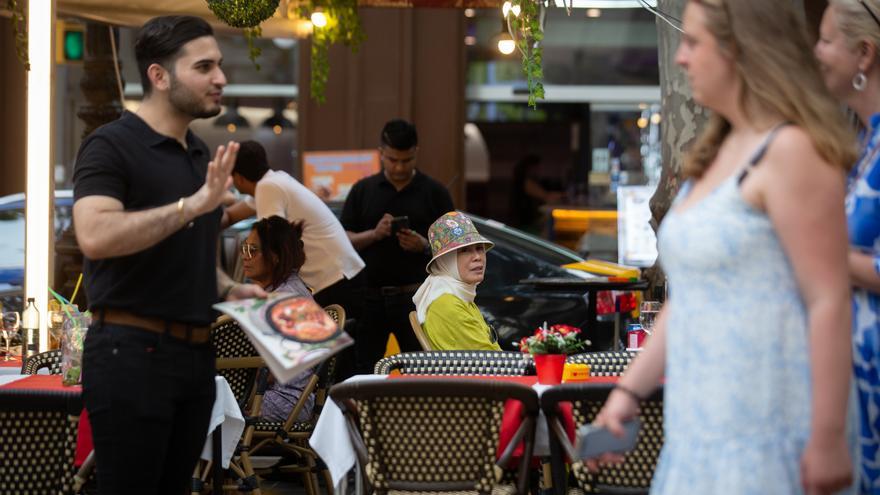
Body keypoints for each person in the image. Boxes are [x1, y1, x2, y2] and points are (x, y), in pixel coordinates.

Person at [592, 2, 856, 494]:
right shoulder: (717, 153)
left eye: (693, 43)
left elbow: (829, 300)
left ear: (738, 50)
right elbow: (687, 301)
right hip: (697, 431)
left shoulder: (792, 150)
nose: (680, 58)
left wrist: (827, 436)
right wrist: (627, 393)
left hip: (769, 430)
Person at [71, 16, 264, 494]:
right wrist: (193, 205)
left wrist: (233, 289)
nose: (220, 78)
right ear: (159, 76)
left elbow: (190, 255)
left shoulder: (199, 154)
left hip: (195, 357)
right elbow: (94, 235)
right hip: (130, 354)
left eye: (219, 65)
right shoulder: (110, 144)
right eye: (204, 66)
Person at [815, 1, 880, 492]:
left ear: (864, 53)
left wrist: (811, 249)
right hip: (852, 384)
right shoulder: (862, 146)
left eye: (825, 40)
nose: (815, 52)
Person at [341, 119, 454, 373]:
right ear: (381, 153)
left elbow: (455, 247)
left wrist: (424, 245)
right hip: (370, 298)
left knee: (422, 370)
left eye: (406, 160)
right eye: (392, 160)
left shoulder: (435, 192)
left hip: (416, 298)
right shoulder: (363, 190)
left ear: (417, 153)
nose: (399, 167)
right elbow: (342, 240)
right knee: (363, 371)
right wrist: (374, 234)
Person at [225, 140, 365, 314]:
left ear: (238, 177)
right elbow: (229, 216)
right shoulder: (274, 181)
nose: (247, 255)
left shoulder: (268, 187)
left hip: (335, 279)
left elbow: (270, 243)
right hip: (341, 274)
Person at [241, 216, 315, 422]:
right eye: (244, 248)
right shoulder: (288, 287)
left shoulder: (282, 299)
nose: (245, 257)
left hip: (284, 402)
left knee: (200, 405)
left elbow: (270, 371)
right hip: (295, 398)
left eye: (253, 250)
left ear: (275, 256)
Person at [412, 212, 500, 351]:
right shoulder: (447, 303)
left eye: (479, 248)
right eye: (465, 250)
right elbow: (493, 362)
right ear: (446, 260)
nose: (477, 257)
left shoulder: (460, 295)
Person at [509, 154, 563, 233]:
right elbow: (545, 196)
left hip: (526, 222)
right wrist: (562, 195)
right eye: (537, 168)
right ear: (530, 168)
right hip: (526, 225)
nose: (538, 170)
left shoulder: (525, 182)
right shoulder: (526, 183)